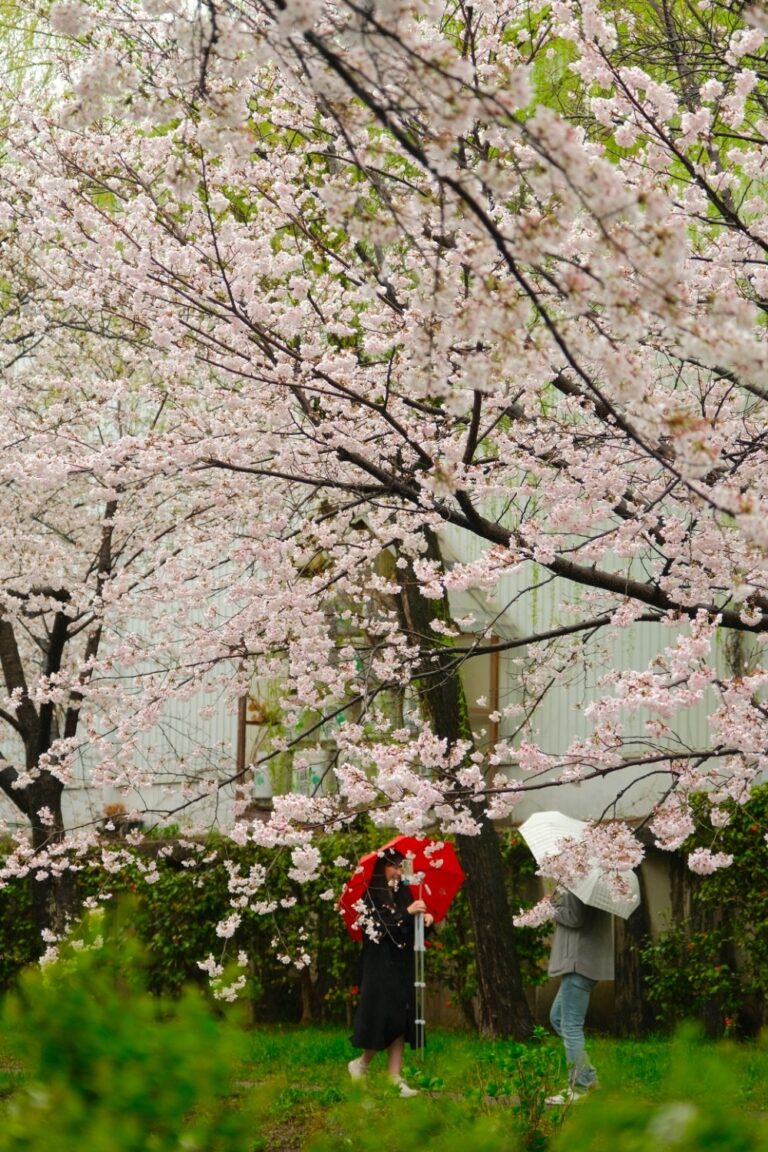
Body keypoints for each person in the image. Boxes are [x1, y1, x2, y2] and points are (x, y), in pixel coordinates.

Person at [347, 846, 434, 1097]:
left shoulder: (405, 894)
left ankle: (394, 1077)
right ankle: (361, 1064)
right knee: (384, 1016)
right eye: (392, 866)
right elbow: (381, 930)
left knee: (402, 1017)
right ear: (381, 868)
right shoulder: (370, 897)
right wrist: (407, 913)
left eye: (400, 866)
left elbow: (408, 930)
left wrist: (425, 920)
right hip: (380, 966)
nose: (397, 871)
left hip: (402, 964)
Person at [545, 888, 614, 1105]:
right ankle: (588, 1078)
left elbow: (575, 918)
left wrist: (549, 908)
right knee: (558, 1018)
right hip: (586, 961)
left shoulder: (579, 878)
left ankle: (579, 1088)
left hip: (579, 962)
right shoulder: (596, 881)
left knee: (570, 1026)